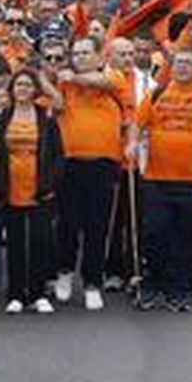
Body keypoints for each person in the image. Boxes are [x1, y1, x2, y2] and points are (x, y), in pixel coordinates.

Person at [130, 46, 192, 312]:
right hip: (156, 178)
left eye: (188, 63)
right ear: (171, 67)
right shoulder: (156, 94)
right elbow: (137, 124)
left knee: (187, 237)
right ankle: (152, 284)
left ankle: (178, 290)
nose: (182, 67)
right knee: (154, 233)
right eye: (178, 63)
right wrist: (132, 144)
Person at [51, 35, 129, 311]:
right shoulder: (64, 83)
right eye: (76, 53)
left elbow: (104, 82)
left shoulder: (114, 78)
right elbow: (48, 96)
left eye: (86, 53)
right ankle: (64, 272)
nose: (80, 57)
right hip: (70, 162)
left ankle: (93, 282)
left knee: (97, 227)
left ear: (99, 57)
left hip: (104, 164)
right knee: (68, 224)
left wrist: (73, 78)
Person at [0, 68, 63, 314]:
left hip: (41, 192)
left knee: (40, 241)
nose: (23, 89)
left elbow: (59, 156)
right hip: (11, 191)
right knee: (15, 243)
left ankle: (38, 294)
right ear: (12, 90)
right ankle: (16, 294)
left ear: (35, 90)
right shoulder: (2, 118)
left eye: (27, 85)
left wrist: (50, 183)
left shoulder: (46, 119)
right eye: (18, 85)